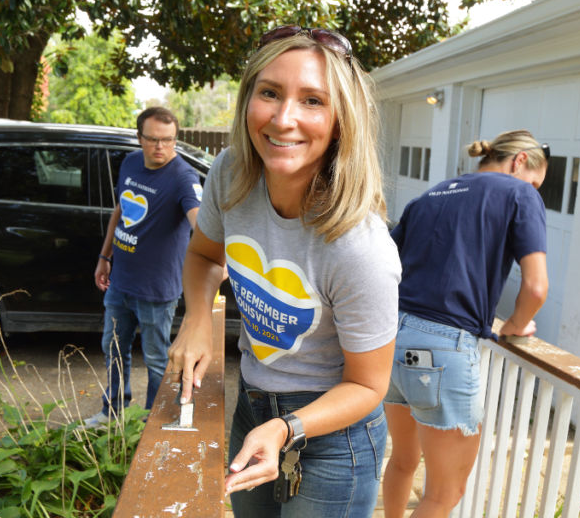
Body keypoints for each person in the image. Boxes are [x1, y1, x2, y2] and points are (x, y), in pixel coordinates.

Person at [165, 26, 401, 516]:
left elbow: (368, 386)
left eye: (313, 100)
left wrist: (287, 428)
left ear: (340, 121)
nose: (283, 117)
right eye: (269, 92)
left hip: (333, 439)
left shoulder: (360, 247)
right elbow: (205, 256)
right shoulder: (231, 171)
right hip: (254, 405)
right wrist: (195, 321)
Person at [382, 130, 550, 518]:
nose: (534, 190)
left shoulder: (430, 195)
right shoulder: (518, 193)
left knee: (403, 460)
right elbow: (537, 287)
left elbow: (383, 264)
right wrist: (516, 324)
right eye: (536, 182)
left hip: (392, 337)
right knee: (444, 493)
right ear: (521, 161)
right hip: (444, 346)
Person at [85, 106, 202, 428]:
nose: (161, 147)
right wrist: (104, 257)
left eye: (168, 140)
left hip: (157, 290)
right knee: (113, 350)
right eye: (153, 140)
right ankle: (112, 413)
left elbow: (200, 223)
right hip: (120, 281)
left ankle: (150, 422)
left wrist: (215, 256)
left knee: (156, 360)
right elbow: (121, 209)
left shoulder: (183, 178)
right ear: (140, 138)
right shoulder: (131, 163)